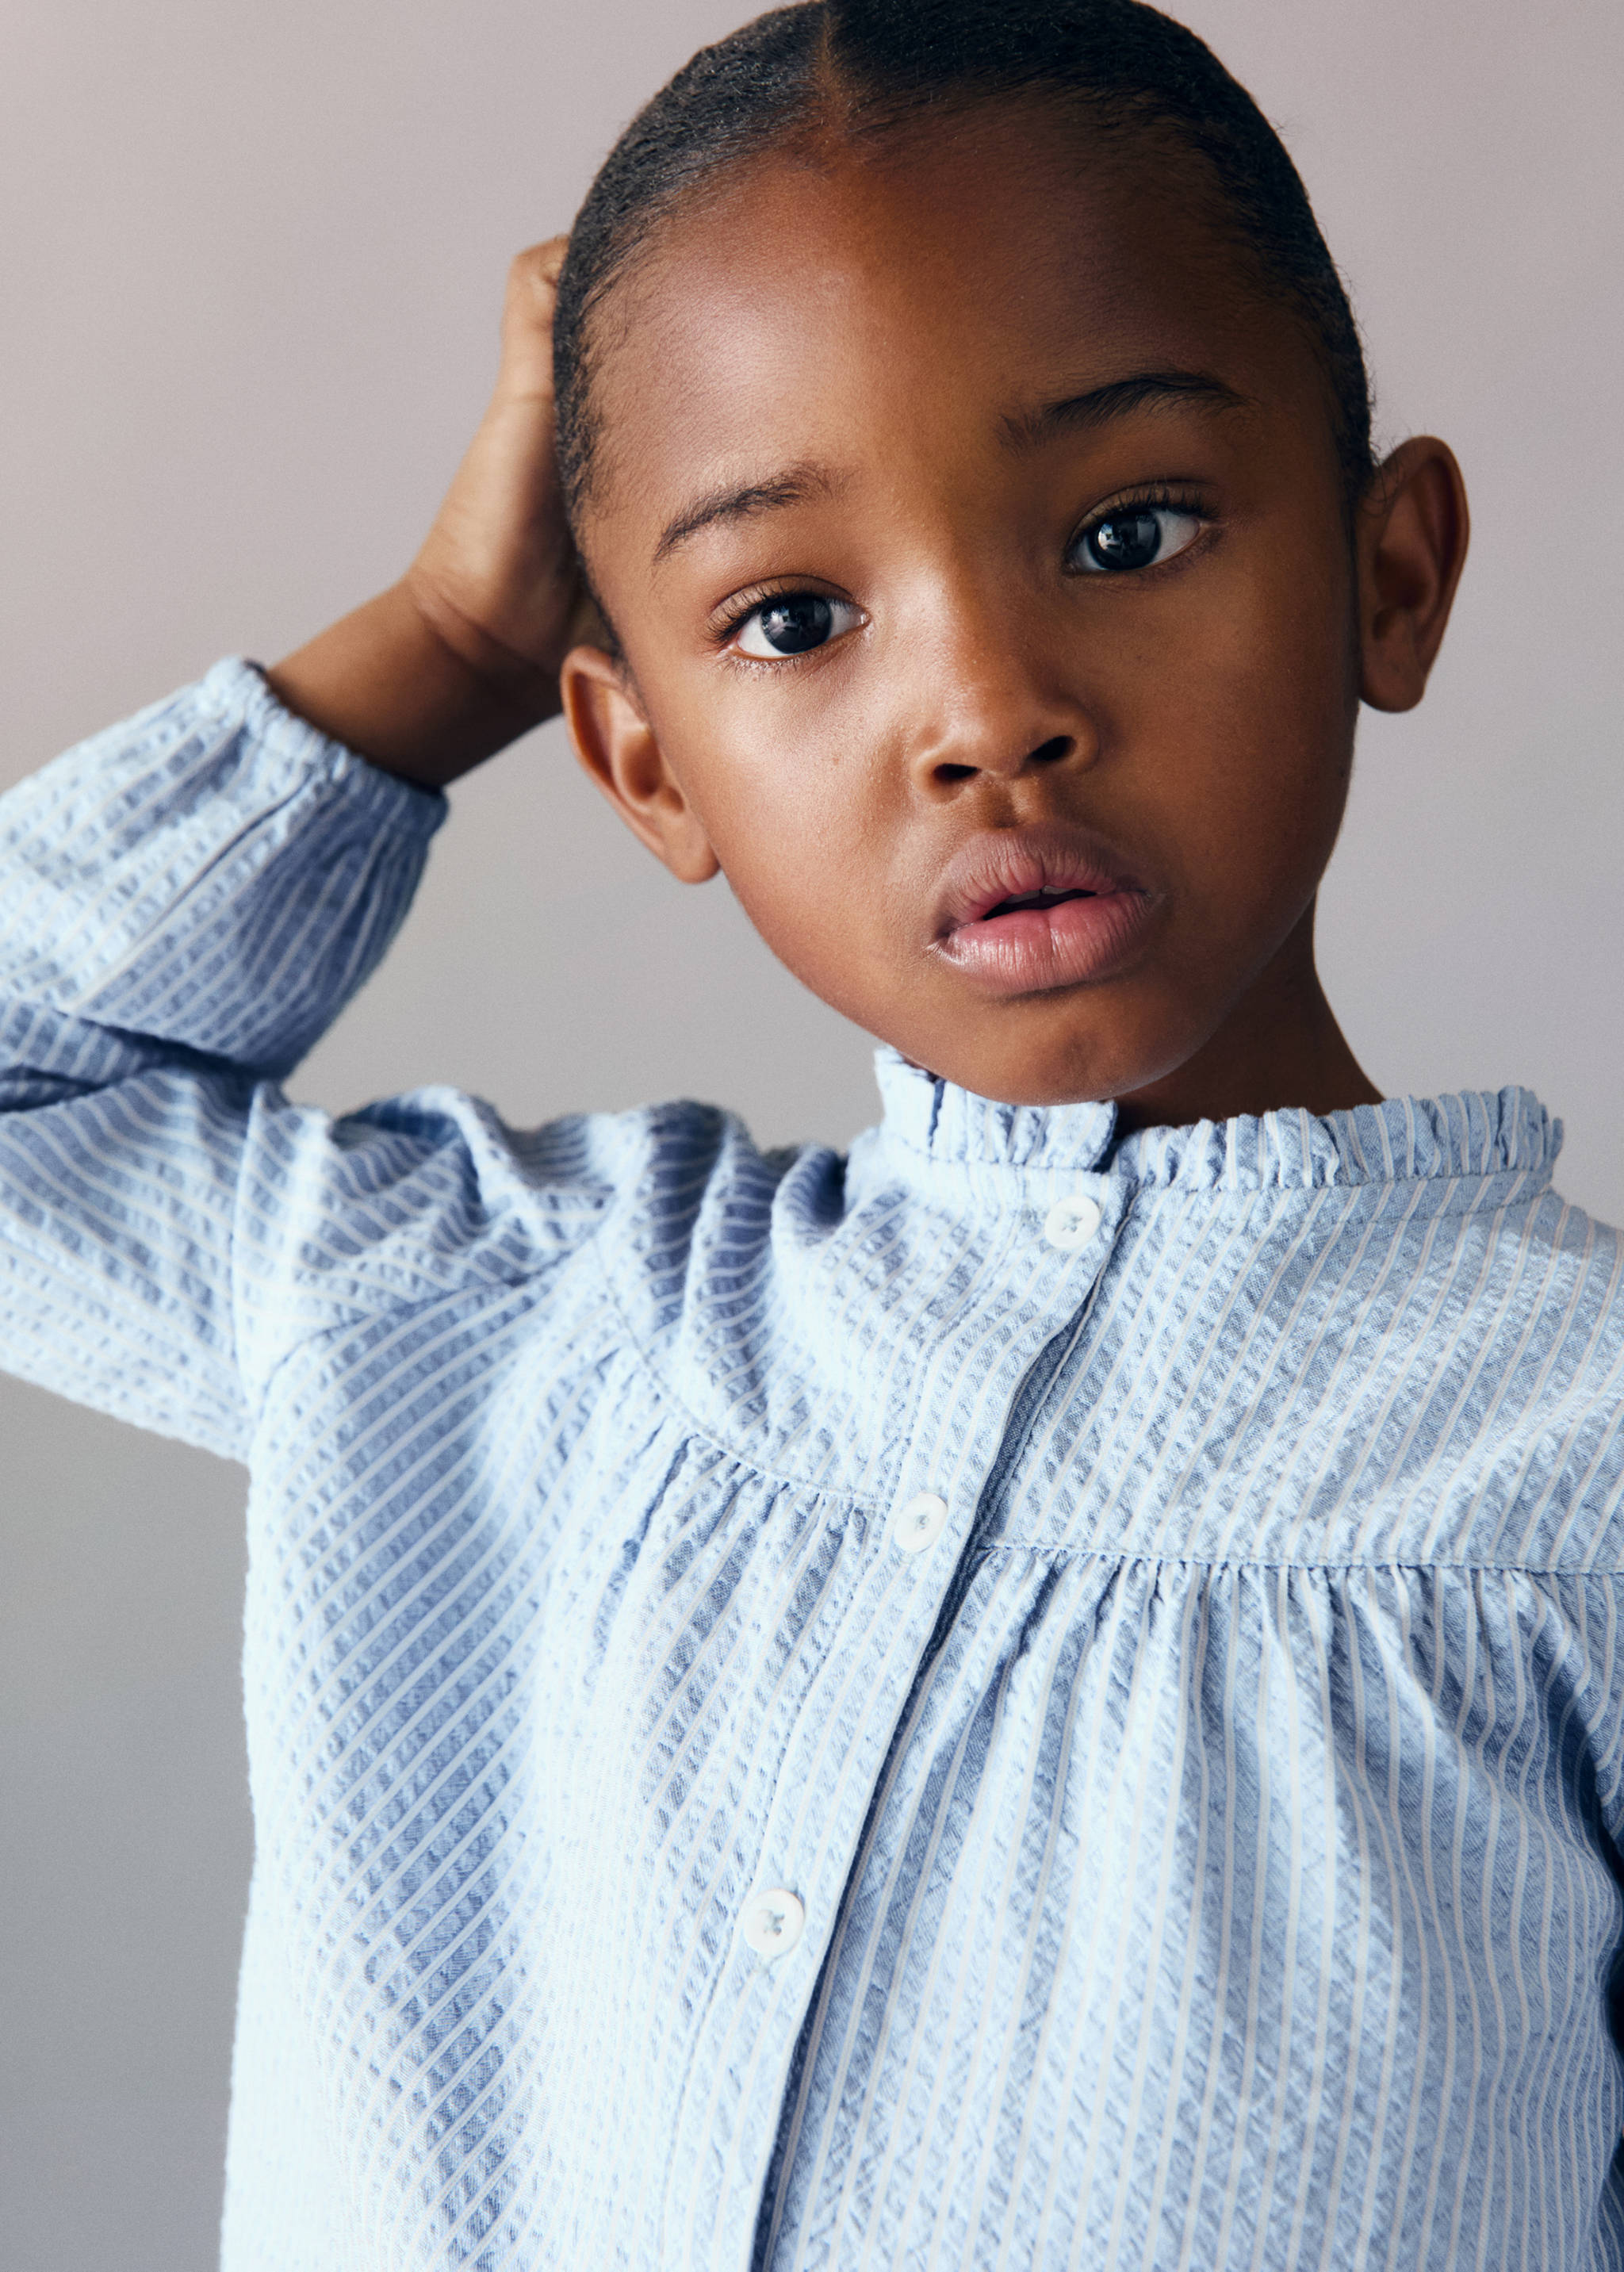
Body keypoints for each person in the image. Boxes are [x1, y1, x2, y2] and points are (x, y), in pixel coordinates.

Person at [2, 0, 1621, 2265]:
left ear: (1393, 571)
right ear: (645, 760)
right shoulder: (490, 1326)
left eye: (1130, 528)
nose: (987, 712)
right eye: (789, 615)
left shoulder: (1578, 1470)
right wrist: (456, 634)